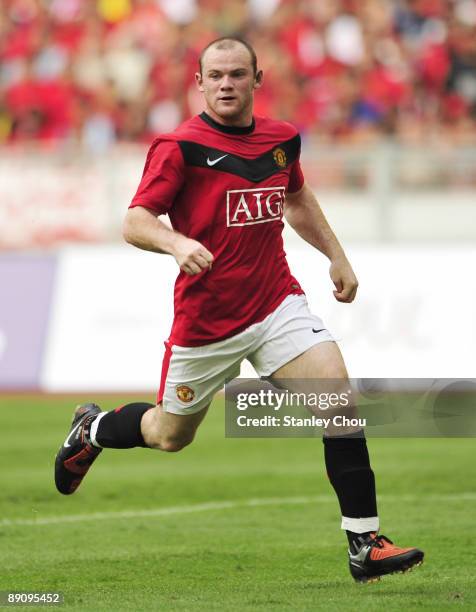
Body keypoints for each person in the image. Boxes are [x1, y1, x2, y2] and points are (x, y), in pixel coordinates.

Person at [54, 37, 423, 583]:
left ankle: (364, 543)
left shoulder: (281, 140)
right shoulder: (178, 147)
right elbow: (135, 220)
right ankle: (93, 429)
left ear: (258, 79)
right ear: (199, 83)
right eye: (216, 75)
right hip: (207, 324)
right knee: (168, 435)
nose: (226, 84)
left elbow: (295, 198)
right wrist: (177, 244)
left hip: (276, 304)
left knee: (340, 406)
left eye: (237, 74)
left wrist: (336, 256)